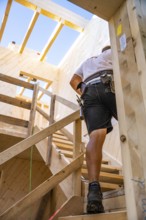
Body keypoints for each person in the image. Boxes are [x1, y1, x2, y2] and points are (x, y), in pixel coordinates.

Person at [70, 45, 117, 214]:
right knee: (136, 124)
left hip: (89, 91)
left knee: (96, 137)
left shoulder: (88, 62)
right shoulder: (113, 52)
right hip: (110, 84)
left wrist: (83, 89)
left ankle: (94, 192)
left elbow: (73, 80)